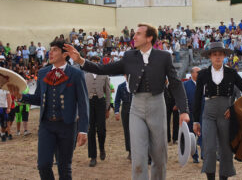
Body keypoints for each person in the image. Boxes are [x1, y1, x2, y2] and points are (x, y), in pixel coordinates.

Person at [64, 23, 190, 180]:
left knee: (159, 155)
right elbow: (104, 69)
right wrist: (81, 60)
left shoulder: (163, 57)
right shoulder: (129, 57)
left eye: (138, 34)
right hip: (136, 107)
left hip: (157, 104)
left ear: (149, 37)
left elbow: (176, 84)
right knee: (138, 156)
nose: (134, 36)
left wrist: (184, 111)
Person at [8, 40, 89, 180]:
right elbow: (38, 98)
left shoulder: (76, 74)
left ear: (65, 55)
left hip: (68, 126)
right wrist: (20, 97)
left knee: (64, 168)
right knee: (43, 165)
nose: (50, 52)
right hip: (46, 125)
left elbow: (83, 103)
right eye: (50, 49)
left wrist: (83, 130)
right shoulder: (43, 72)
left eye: (55, 50)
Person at [193, 42, 242, 180]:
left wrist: (235, 108)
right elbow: (197, 98)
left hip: (226, 114)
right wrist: (196, 120)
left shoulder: (231, 73)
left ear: (224, 56)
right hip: (208, 114)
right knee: (209, 147)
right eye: (214, 54)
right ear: (210, 57)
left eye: (220, 54)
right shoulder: (202, 74)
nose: (217, 57)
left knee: (226, 149)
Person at [85, 56, 111, 167]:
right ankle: (93, 157)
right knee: (90, 131)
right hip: (89, 103)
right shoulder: (85, 76)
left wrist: (107, 108)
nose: (94, 63)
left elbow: (108, 92)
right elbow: (83, 93)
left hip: (100, 102)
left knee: (101, 129)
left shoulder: (104, 75)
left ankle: (102, 147)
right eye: (92, 61)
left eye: (96, 62)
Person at [183, 67, 201, 163]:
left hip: (202, 113)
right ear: (192, 74)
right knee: (192, 135)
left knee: (204, 134)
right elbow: (183, 99)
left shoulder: (204, 84)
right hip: (190, 113)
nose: (199, 73)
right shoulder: (185, 85)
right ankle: (195, 156)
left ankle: (204, 155)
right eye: (198, 72)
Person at [115, 76, 133, 160]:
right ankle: (130, 151)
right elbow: (117, 100)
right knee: (127, 131)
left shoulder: (137, 84)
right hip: (125, 109)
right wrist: (116, 111)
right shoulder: (120, 86)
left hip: (136, 108)